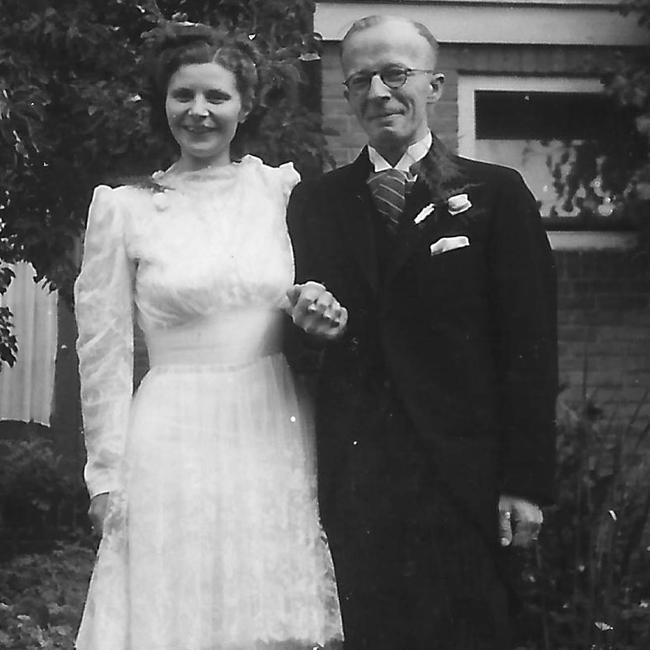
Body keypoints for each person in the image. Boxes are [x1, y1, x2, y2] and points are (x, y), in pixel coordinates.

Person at [286, 14, 558, 650]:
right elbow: (298, 348)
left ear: (434, 85)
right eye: (361, 80)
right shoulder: (314, 204)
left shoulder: (496, 194)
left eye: (396, 74)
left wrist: (524, 482)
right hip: (359, 482)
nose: (380, 92)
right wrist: (309, 331)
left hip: (465, 477)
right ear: (348, 93)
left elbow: (530, 348)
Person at [74, 21, 345, 650]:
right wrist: (106, 474)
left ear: (244, 106)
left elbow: (319, 296)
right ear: (164, 102)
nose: (198, 112)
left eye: (217, 97)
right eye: (183, 96)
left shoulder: (278, 191)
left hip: (272, 419)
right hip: (173, 428)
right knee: (176, 602)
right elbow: (103, 348)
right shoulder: (125, 208)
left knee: (266, 599)